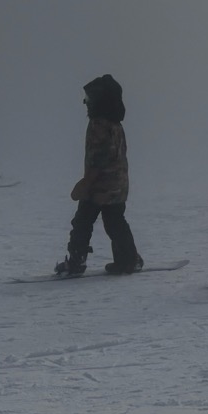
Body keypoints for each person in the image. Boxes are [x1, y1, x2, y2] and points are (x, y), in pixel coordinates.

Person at [56, 74, 142, 276]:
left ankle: (76, 262)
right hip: (118, 184)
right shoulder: (115, 124)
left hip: (99, 186)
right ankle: (128, 260)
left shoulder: (99, 124)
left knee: (83, 222)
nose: (86, 102)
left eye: (89, 98)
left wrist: (86, 183)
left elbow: (99, 157)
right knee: (115, 222)